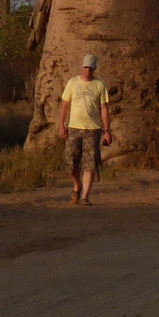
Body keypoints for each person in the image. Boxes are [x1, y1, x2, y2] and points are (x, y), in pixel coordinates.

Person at [58, 53, 112, 204]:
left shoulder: (100, 85)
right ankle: (77, 184)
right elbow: (65, 105)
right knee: (70, 162)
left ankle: (85, 196)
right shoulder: (72, 83)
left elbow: (104, 108)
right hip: (74, 128)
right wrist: (61, 124)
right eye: (86, 67)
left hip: (92, 129)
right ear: (82, 67)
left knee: (90, 163)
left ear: (94, 69)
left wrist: (107, 130)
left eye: (91, 68)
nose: (88, 71)